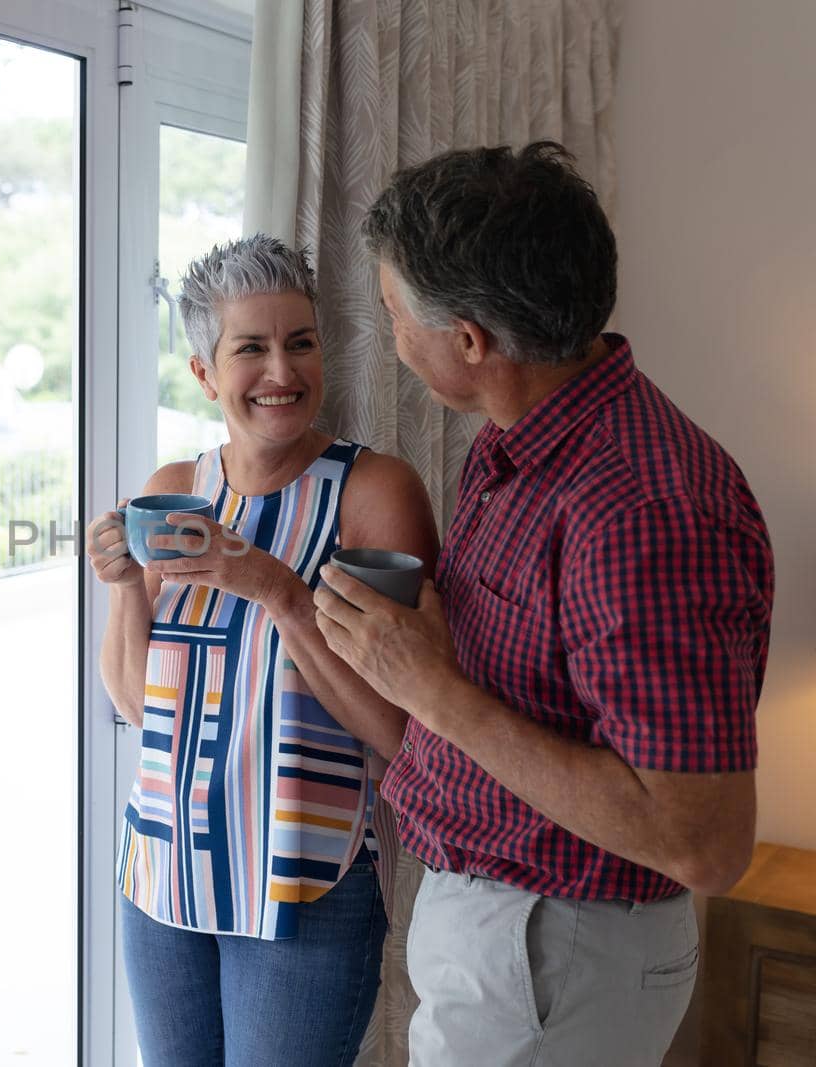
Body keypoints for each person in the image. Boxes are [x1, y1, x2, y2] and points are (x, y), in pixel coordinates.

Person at [313, 142, 775, 1066]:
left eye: (397, 312)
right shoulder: (522, 440)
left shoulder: (643, 507)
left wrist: (437, 691)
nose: (394, 334)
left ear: (472, 342)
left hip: (555, 957)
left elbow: (703, 843)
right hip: (518, 944)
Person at [87, 234, 439, 1067]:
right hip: (162, 879)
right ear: (207, 373)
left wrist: (280, 590)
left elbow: (399, 731)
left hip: (303, 889)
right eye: (251, 348)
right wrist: (124, 585)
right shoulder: (173, 489)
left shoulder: (372, 493)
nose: (283, 371)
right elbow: (138, 704)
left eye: (301, 341)